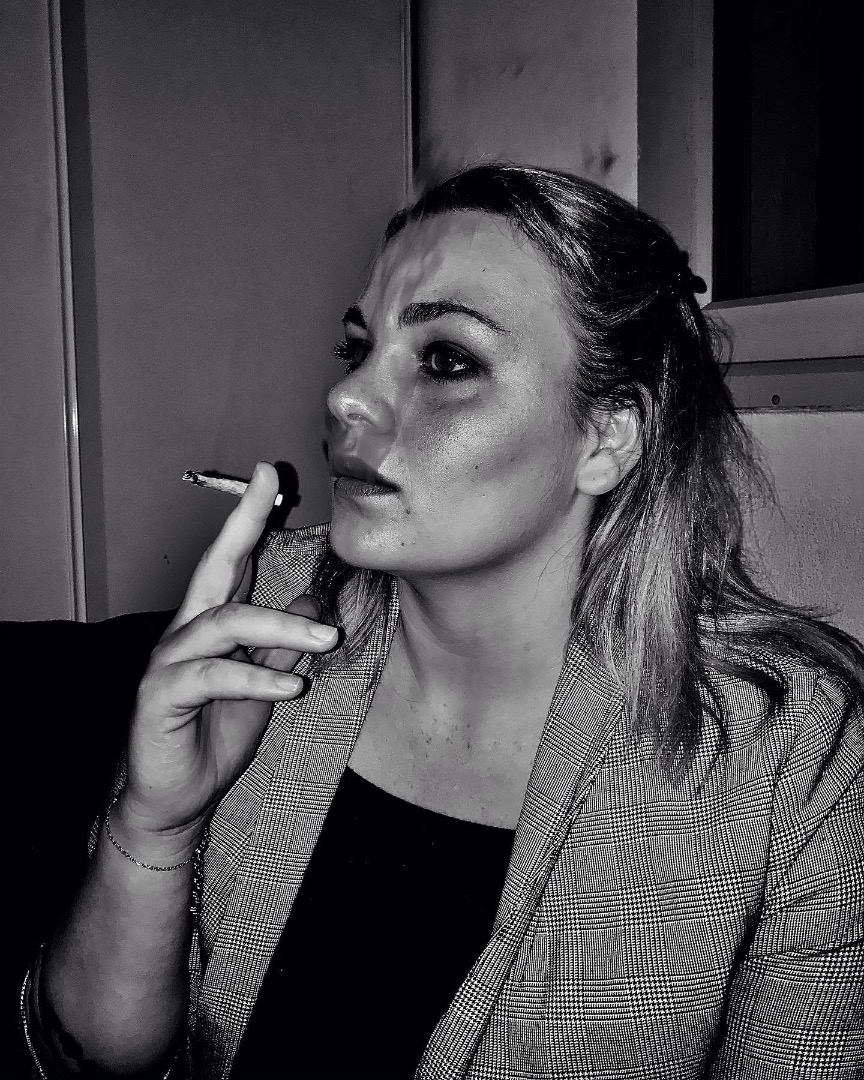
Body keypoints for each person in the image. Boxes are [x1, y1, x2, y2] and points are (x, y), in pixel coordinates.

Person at [21, 164, 863, 1079]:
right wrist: (154, 824)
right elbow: (90, 1061)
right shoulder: (264, 611)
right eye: (356, 348)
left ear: (607, 435)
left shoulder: (793, 748)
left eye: (446, 361)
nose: (346, 398)